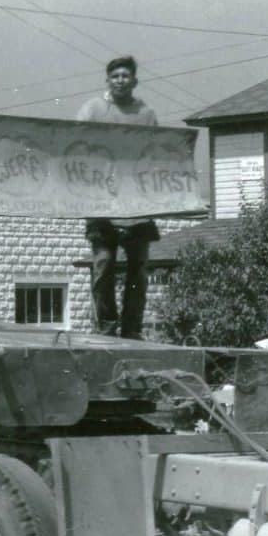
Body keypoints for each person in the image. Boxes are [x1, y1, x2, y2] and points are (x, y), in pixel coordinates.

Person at [76, 56, 160, 340]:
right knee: (104, 265)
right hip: (102, 201)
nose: (121, 80)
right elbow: (75, 146)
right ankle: (107, 327)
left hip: (137, 202)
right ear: (108, 80)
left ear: (134, 80)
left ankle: (132, 328)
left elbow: (157, 152)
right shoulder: (92, 109)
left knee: (138, 270)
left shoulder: (146, 114)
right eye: (115, 76)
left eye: (126, 75)